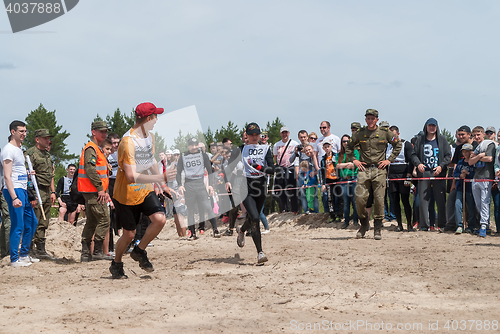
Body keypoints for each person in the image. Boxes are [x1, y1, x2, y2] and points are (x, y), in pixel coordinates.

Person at [110, 102, 172, 279]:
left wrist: (163, 185)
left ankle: (139, 250)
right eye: (155, 117)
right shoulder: (127, 142)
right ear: (147, 118)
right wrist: (159, 179)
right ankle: (117, 263)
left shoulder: (149, 137)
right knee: (128, 234)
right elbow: (130, 176)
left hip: (144, 190)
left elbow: (150, 161)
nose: (156, 120)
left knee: (159, 219)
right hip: (126, 194)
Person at [225, 123, 278, 264]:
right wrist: (227, 181)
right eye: (251, 135)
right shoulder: (240, 149)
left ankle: (241, 231)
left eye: (257, 134)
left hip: (260, 187)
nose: (254, 137)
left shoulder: (265, 148)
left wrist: (259, 167)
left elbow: (272, 170)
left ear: (260, 135)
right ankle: (260, 252)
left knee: (253, 218)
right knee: (255, 217)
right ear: (246, 136)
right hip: (245, 187)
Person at [345, 109, 402, 240]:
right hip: (364, 169)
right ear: (365, 120)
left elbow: (398, 144)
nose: (370, 121)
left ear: (377, 119)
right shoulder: (360, 133)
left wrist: (389, 160)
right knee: (359, 199)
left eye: (372, 118)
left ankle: (377, 228)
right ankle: (364, 223)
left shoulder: (384, 132)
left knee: (379, 199)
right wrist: (354, 160)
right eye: (368, 119)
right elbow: (348, 146)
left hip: (379, 170)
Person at [2, 120, 39, 267]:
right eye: (21, 131)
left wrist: (27, 173)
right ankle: (14, 259)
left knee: (32, 222)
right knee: (18, 225)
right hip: (14, 190)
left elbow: (17, 171)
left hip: (22, 189)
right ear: (13, 132)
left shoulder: (19, 150)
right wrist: (14, 197)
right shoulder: (8, 149)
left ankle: (23, 254)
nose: (24, 134)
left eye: (25, 131)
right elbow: (7, 176)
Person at [77, 121, 114, 262]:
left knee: (92, 222)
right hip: (94, 191)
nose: (104, 134)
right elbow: (90, 169)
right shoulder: (91, 148)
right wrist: (100, 188)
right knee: (104, 219)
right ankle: (97, 251)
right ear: (94, 132)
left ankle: (86, 254)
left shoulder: (96, 149)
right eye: (101, 131)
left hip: (93, 191)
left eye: (105, 131)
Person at [410, 118, 452, 232]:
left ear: (437, 127)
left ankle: (442, 224)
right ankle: (424, 225)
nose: (432, 128)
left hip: (438, 173)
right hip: (424, 172)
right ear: (426, 126)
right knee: (423, 200)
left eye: (434, 126)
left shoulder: (442, 140)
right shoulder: (420, 140)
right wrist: (418, 164)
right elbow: (413, 155)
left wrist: (441, 166)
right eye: (430, 126)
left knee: (440, 199)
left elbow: (448, 156)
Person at [176, 137, 221, 240]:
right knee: (190, 210)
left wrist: (210, 185)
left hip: (200, 184)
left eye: (196, 145)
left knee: (207, 207)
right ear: (188, 146)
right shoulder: (183, 156)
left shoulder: (203, 155)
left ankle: (215, 229)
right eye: (192, 145)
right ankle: (192, 233)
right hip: (189, 185)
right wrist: (180, 185)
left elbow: (209, 170)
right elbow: (178, 172)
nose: (194, 147)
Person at [24, 128, 56, 260]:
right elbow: (27, 176)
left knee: (44, 220)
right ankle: (29, 249)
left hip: (46, 191)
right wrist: (32, 195)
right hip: (36, 191)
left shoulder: (47, 155)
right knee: (34, 220)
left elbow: (51, 175)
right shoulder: (30, 154)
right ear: (37, 139)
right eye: (45, 138)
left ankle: (41, 249)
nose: (48, 140)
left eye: (49, 138)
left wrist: (53, 192)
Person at [445, 125, 478, 231]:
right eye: (459, 134)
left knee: (472, 206)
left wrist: (467, 174)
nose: (461, 136)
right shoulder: (459, 153)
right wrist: (456, 181)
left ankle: (473, 225)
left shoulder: (476, 146)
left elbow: (477, 170)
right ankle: (456, 225)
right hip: (460, 186)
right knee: (456, 203)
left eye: (463, 134)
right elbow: (455, 167)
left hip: (471, 186)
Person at [469, 126, 496, 237]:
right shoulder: (477, 146)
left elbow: (490, 158)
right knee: (478, 203)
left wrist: (477, 156)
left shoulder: (490, 144)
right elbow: (470, 161)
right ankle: (485, 225)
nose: (476, 137)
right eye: (475, 135)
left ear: (483, 134)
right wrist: (480, 155)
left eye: (478, 134)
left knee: (485, 202)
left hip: (486, 176)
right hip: (476, 176)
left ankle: (484, 226)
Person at [386, 126, 414, 232]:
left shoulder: (405, 144)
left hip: (403, 171)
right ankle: (399, 224)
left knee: (405, 200)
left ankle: (409, 224)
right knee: (394, 200)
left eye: (394, 134)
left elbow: (411, 160)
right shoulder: (387, 146)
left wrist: (408, 176)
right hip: (392, 172)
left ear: (398, 133)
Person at [317, 121, 342, 216]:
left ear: (331, 146)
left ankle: (340, 215)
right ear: (323, 148)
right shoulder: (323, 159)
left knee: (338, 197)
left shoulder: (335, 154)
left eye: (328, 146)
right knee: (330, 198)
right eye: (325, 147)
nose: (327, 148)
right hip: (328, 179)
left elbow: (340, 158)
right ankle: (332, 215)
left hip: (337, 178)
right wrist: (323, 183)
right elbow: (322, 170)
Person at [451, 143, 476, 234]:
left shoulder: (474, 162)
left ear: (471, 152)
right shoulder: (460, 162)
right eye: (463, 152)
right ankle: (459, 225)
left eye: (467, 152)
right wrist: (460, 175)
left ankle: (471, 225)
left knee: (471, 207)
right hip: (460, 187)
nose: (465, 153)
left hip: (470, 188)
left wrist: (469, 174)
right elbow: (455, 173)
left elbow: (476, 174)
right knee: (458, 205)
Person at [273, 127, 299, 213]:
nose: (284, 135)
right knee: (281, 189)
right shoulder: (276, 145)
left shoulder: (294, 143)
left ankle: (294, 209)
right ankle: (283, 209)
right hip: (281, 168)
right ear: (280, 134)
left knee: (292, 189)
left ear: (289, 133)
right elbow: (275, 157)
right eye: (283, 133)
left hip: (291, 167)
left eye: (286, 133)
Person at [336, 134, 359, 229]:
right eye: (343, 141)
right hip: (344, 179)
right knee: (346, 202)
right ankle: (346, 221)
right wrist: (348, 164)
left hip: (353, 178)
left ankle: (355, 221)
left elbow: (355, 165)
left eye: (347, 141)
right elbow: (337, 166)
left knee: (355, 201)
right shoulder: (340, 154)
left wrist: (343, 165)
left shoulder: (355, 152)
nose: (345, 143)